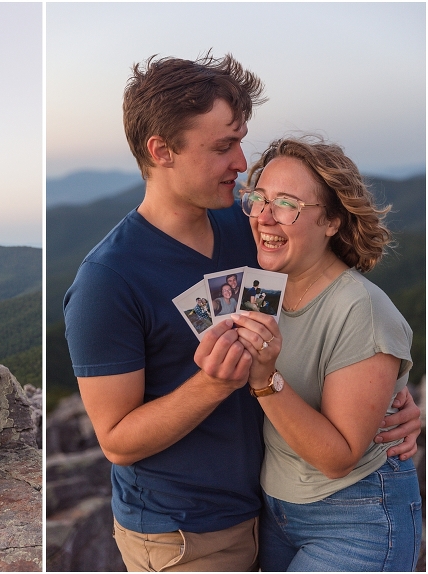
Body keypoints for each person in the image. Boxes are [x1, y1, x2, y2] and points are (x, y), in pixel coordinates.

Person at [63, 53, 421, 571]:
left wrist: (388, 397)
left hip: (274, 509)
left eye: (240, 140)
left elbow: (334, 304)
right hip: (185, 532)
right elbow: (116, 441)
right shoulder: (107, 282)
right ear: (161, 150)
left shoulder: (246, 224)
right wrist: (214, 383)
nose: (239, 162)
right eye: (223, 146)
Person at [230, 137, 422, 571]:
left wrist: (264, 379)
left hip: (355, 516)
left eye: (287, 203)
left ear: (332, 222)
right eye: (259, 198)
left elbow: (338, 457)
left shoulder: (362, 308)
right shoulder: (262, 287)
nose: (264, 216)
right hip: (274, 512)